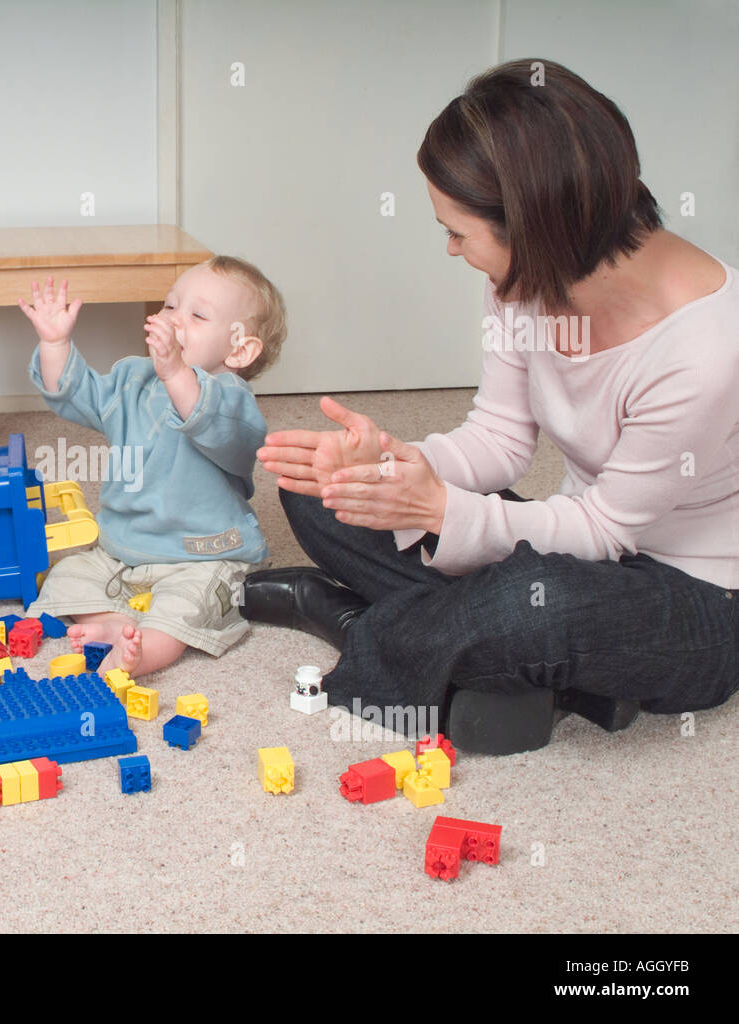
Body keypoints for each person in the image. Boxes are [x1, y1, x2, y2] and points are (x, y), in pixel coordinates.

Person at [242, 59, 739, 754]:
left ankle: (349, 622)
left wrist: (437, 513)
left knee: (530, 601)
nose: (450, 249)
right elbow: (500, 439)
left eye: (458, 231)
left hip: (693, 599)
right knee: (322, 490)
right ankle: (517, 673)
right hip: (573, 551)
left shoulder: (706, 348)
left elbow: (603, 531)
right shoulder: (528, 277)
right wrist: (392, 466)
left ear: (533, 224)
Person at [18, 256, 286, 678]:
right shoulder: (132, 379)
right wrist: (55, 345)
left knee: (191, 604)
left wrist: (177, 370)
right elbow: (76, 395)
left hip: (203, 553)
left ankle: (144, 653)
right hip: (123, 548)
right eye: (170, 305)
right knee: (65, 575)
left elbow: (218, 431)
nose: (175, 319)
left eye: (197, 315)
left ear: (240, 349)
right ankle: (115, 623)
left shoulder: (232, 400)